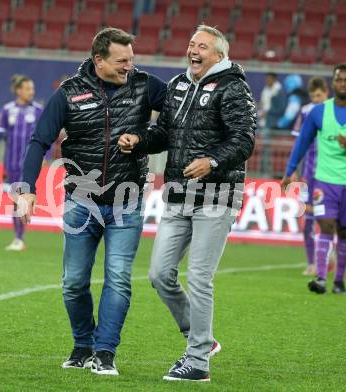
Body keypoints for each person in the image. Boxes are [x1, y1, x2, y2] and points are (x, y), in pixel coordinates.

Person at [18, 28, 166, 375]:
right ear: (99, 60)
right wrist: (26, 189)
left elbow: (177, 124)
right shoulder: (68, 93)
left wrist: (143, 139)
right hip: (80, 202)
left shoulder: (147, 86)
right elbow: (39, 140)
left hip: (126, 202)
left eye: (132, 59)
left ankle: (105, 352)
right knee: (73, 281)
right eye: (122, 60)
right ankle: (83, 345)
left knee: (118, 277)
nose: (130, 66)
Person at [119, 25, 256, 382]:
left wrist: (212, 161)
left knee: (199, 278)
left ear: (219, 55)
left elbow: (244, 139)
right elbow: (165, 132)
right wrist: (140, 140)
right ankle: (202, 338)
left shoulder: (234, 87)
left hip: (217, 194)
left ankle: (197, 362)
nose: (193, 50)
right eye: (191, 44)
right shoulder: (178, 85)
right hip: (179, 193)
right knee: (159, 274)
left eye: (202, 46)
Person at [282, 63, 346, 295]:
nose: (343, 84)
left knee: (345, 230)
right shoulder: (318, 112)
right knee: (325, 225)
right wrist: (289, 171)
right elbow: (302, 142)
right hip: (324, 181)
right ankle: (320, 278)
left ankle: (339, 281)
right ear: (333, 83)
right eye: (339, 80)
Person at [0, 75, 44, 251]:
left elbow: (46, 135)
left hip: (29, 164)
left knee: (20, 198)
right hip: (10, 163)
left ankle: (19, 238)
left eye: (32, 89)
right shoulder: (7, 110)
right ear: (19, 90)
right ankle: (18, 238)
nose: (31, 92)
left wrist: (44, 155)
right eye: (28, 89)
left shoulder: (37, 110)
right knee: (14, 200)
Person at [290, 77, 335, 276]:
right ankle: (311, 263)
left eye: (320, 95)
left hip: (329, 174)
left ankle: (328, 252)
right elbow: (298, 144)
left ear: (327, 93)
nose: (317, 99)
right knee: (307, 220)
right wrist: (293, 170)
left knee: (326, 218)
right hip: (309, 173)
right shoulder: (305, 111)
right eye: (313, 96)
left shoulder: (334, 111)